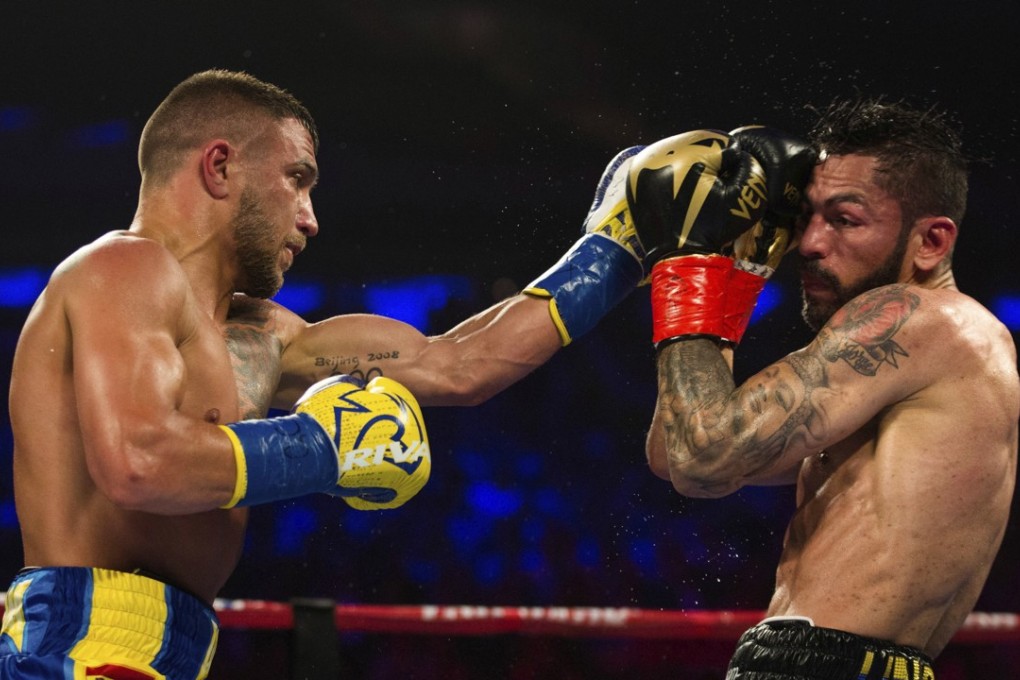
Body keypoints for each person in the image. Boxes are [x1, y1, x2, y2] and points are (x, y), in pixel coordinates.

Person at [0, 68, 653, 679]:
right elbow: (139, 462)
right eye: (297, 178)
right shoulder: (122, 269)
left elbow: (460, 365)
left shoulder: (265, 336)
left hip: (165, 646)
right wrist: (322, 447)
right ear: (220, 165)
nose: (311, 218)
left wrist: (617, 248)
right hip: (81, 642)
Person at [636, 100, 1018, 678]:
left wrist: (688, 265)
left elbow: (703, 456)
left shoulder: (916, 318)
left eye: (844, 219)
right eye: (807, 217)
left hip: (832, 662)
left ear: (931, 242)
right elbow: (675, 454)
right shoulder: (920, 362)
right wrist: (738, 280)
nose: (809, 243)